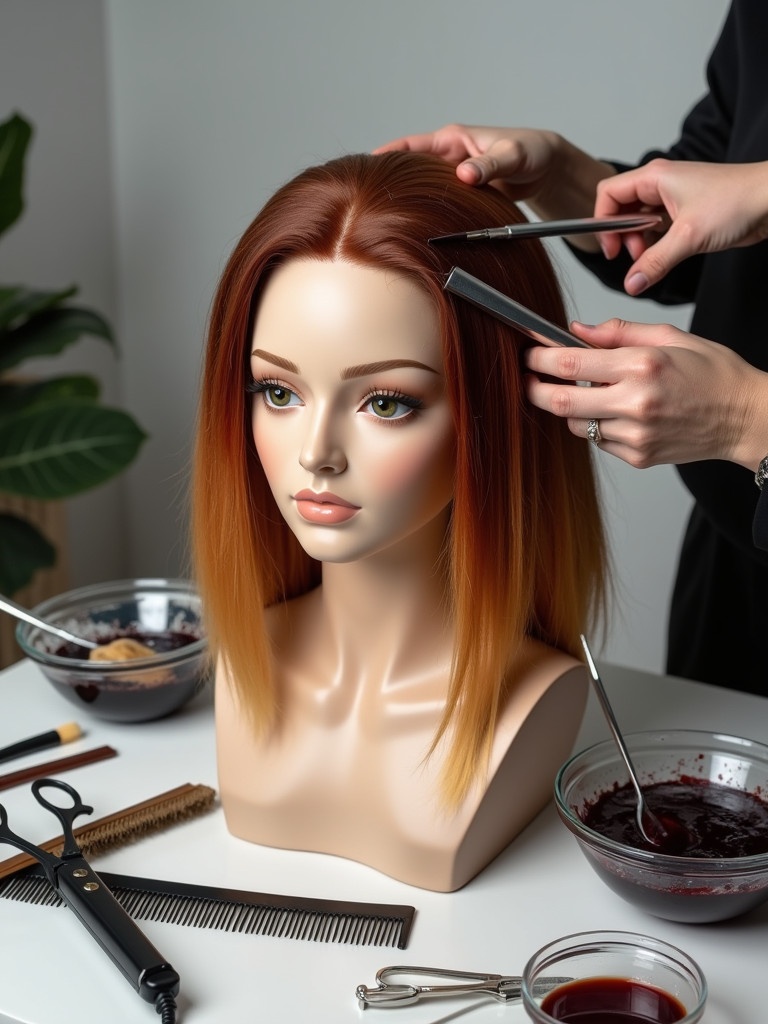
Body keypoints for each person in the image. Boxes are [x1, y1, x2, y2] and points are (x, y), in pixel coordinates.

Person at [192, 151, 607, 891]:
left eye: (386, 402)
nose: (315, 455)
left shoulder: (533, 703)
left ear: (500, 415)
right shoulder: (243, 661)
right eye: (278, 392)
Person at [376, 2, 768, 695]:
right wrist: (568, 181)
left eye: (385, 398)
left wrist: (749, 419)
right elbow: (710, 226)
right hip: (737, 554)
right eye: (278, 391)